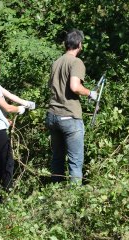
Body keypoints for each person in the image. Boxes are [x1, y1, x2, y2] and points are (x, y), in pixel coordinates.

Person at [45, 29, 98, 185]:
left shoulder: (56, 62)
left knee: (57, 158)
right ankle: (74, 201)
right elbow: (75, 87)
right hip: (69, 117)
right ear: (79, 45)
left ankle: (54, 194)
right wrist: (90, 93)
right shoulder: (76, 62)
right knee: (75, 162)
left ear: (65, 44)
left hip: (52, 115)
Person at [0, 56, 36, 204]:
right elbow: (7, 107)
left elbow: (9, 95)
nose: (0, 70)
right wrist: (20, 109)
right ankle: (8, 197)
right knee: (8, 162)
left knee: (2, 161)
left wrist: (26, 103)